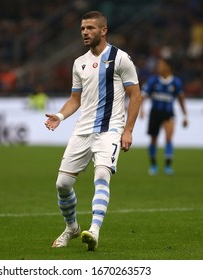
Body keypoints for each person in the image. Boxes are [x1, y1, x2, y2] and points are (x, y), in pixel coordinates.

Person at [44, 11, 142, 251]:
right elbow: (74, 99)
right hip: (82, 130)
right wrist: (59, 115)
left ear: (103, 30)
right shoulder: (79, 63)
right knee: (62, 185)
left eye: (90, 28)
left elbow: (136, 95)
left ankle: (94, 231)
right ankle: (72, 228)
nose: (85, 32)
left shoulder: (121, 58)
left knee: (101, 175)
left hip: (110, 130)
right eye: (82, 29)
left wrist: (128, 130)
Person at [140, 57, 188, 175]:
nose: (159, 67)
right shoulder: (153, 80)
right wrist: (141, 110)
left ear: (168, 67)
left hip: (168, 113)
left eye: (161, 64)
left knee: (168, 138)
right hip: (155, 113)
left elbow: (181, 99)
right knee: (153, 139)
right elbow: (143, 96)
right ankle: (153, 165)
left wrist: (185, 115)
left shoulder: (176, 82)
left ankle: (167, 166)